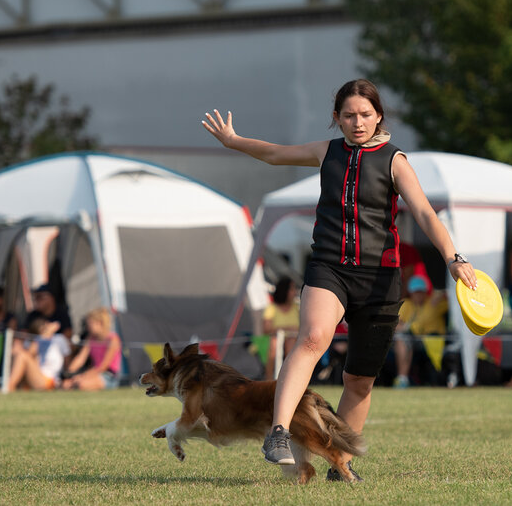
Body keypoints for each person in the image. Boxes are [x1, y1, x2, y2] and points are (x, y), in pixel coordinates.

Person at [202, 78, 477, 480]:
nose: (357, 122)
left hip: (380, 277)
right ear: (337, 118)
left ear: (378, 115)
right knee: (312, 338)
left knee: (360, 380)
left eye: (365, 114)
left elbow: (424, 213)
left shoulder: (395, 160)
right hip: (330, 266)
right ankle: (277, 432)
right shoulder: (326, 151)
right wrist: (234, 141)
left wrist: (453, 258)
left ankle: (340, 463)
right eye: (348, 115)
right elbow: (276, 154)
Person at [392, 275, 449, 387]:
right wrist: (405, 327)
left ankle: (402, 378)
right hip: (413, 340)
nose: (418, 295)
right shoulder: (406, 304)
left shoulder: (434, 302)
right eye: (415, 292)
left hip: (433, 340)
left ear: (425, 292)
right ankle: (402, 378)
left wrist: (440, 295)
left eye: (421, 292)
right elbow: (396, 325)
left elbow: (452, 299)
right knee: (402, 339)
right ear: (411, 293)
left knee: (404, 340)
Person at [4, 314, 72, 392]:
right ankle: (10, 386)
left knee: (22, 355)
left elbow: (68, 365)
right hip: (34, 376)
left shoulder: (59, 339)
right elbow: (29, 355)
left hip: (50, 381)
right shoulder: (34, 342)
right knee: (20, 354)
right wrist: (43, 337)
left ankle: (9, 387)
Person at [61, 308, 122, 390]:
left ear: (100, 323)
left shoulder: (113, 339)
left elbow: (103, 366)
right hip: (93, 373)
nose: (88, 328)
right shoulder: (90, 339)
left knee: (82, 384)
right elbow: (80, 359)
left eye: (90, 324)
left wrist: (83, 376)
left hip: (108, 376)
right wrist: (69, 374)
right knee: (66, 385)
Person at [262, 277, 300, 381]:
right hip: (275, 339)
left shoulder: (296, 307)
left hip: (293, 340)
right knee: (274, 344)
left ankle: (289, 380)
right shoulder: (271, 308)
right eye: (292, 289)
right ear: (285, 290)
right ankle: (269, 380)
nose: (294, 292)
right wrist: (286, 329)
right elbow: (266, 329)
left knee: (291, 343)